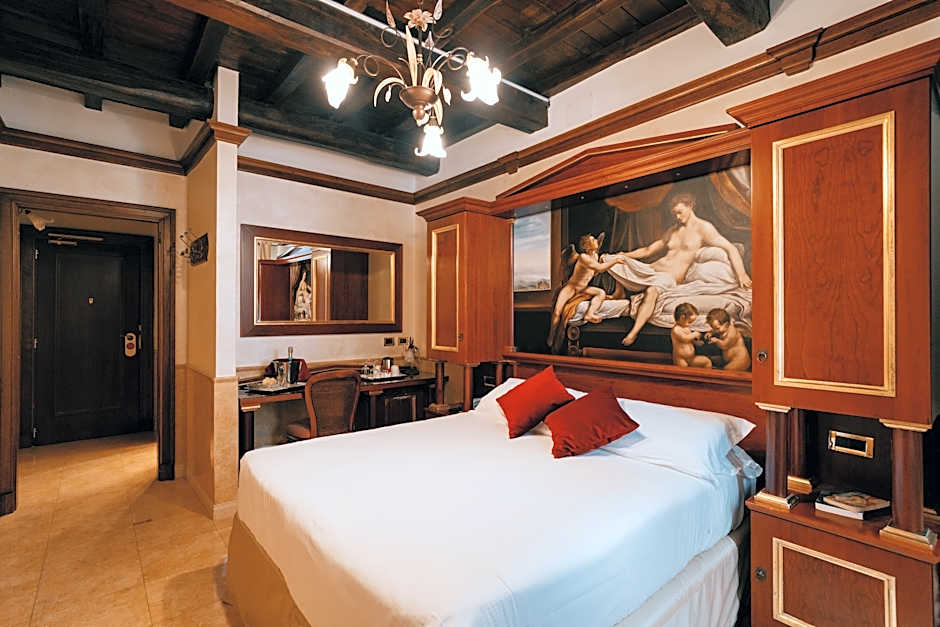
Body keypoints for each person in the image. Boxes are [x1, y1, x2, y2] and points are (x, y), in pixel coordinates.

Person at [615, 192, 751, 346]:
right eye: (674, 214)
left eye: (680, 212)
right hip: (651, 270)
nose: (677, 217)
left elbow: (730, 248)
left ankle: (633, 333)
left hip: (668, 277)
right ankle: (618, 293)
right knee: (612, 260)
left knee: (651, 291)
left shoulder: (704, 228)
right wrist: (625, 254)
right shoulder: (673, 230)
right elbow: (648, 250)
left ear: (690, 206)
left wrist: (742, 274)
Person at [547, 233, 627, 346]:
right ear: (587, 246)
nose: (596, 241)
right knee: (557, 312)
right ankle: (551, 336)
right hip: (571, 288)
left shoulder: (595, 256)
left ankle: (589, 314)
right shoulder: (583, 257)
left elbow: (595, 272)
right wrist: (615, 261)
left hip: (583, 288)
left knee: (601, 293)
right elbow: (600, 268)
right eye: (593, 240)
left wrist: (605, 261)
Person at [671, 303, 711, 369]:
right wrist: (695, 334)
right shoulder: (676, 329)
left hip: (691, 358)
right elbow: (685, 339)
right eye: (689, 322)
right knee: (683, 370)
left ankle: (706, 375)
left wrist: (696, 342)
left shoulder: (686, 328)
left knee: (707, 361)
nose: (690, 324)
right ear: (682, 317)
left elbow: (690, 340)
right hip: (681, 359)